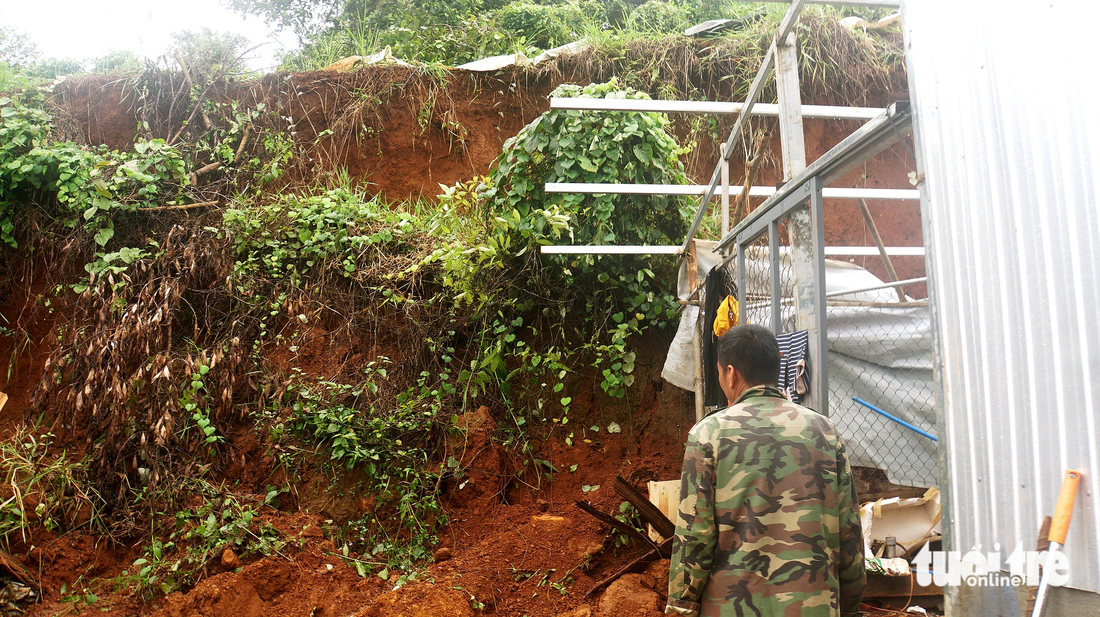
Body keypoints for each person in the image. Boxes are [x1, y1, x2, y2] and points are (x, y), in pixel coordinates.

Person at [666, 324, 865, 617]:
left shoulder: (710, 434)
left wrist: (680, 607)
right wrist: (850, 607)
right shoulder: (825, 432)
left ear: (730, 373)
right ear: (778, 363)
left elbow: (694, 537)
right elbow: (849, 533)